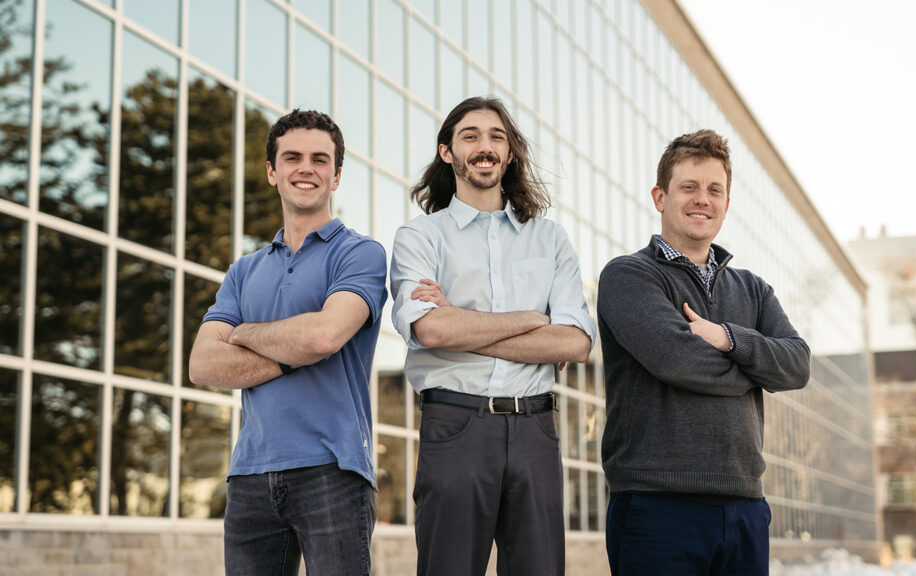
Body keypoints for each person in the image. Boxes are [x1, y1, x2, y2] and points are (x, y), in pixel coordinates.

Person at [389, 96, 596, 576]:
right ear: (447, 152)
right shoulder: (420, 237)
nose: (485, 146)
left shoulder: (550, 240)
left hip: (536, 432)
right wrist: (534, 319)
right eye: (471, 136)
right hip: (456, 426)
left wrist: (463, 325)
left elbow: (575, 343)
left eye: (496, 137)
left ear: (510, 154)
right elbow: (432, 328)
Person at [597, 129, 811, 576]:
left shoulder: (754, 289)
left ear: (727, 203)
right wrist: (757, 370)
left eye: (715, 190)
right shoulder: (629, 277)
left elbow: (797, 365)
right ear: (660, 197)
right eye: (689, 187)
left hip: (746, 506)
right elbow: (677, 361)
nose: (703, 200)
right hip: (657, 507)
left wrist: (729, 339)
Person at [188, 109, 387, 576]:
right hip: (250, 474)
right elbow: (201, 365)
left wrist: (243, 335)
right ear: (272, 172)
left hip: (333, 471)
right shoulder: (243, 271)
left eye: (320, 159)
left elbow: (324, 335)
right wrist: (296, 348)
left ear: (336, 176)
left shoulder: (359, 253)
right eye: (292, 157)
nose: (306, 168)